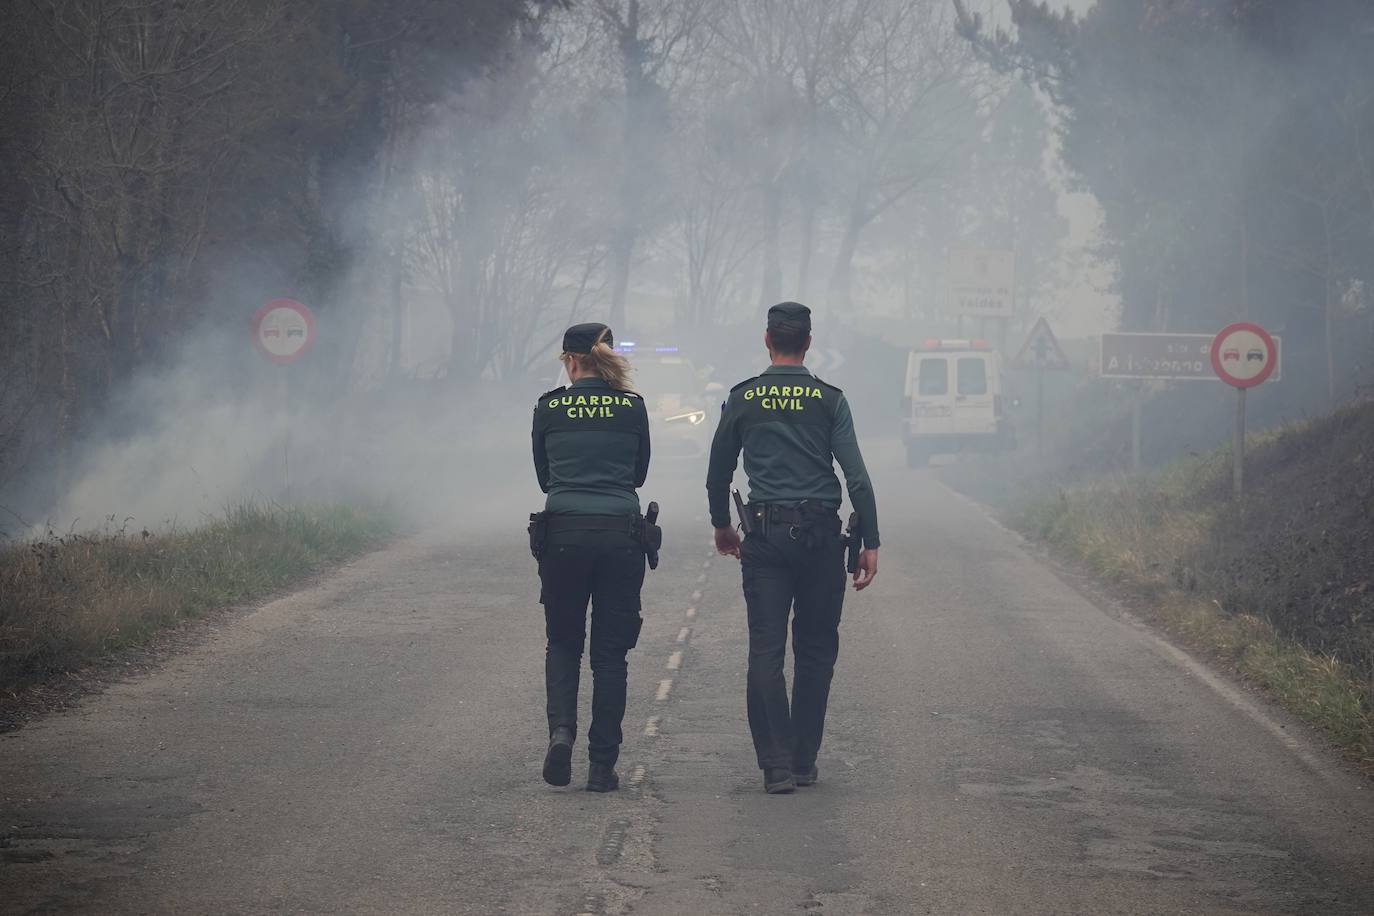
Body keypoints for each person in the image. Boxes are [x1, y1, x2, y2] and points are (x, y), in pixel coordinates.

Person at [705, 302, 880, 794]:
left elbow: (719, 471)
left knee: (766, 650)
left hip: (764, 537)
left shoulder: (743, 398)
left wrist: (722, 526)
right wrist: (871, 540)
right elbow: (857, 478)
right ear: (808, 342)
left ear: (767, 340)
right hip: (822, 537)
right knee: (817, 650)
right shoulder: (829, 400)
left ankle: (776, 765)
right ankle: (804, 760)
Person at [530, 322, 652, 792]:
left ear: (570, 360)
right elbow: (639, 474)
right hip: (621, 536)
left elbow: (544, 478)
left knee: (563, 642)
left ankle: (561, 733)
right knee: (610, 656)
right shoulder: (633, 407)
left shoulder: (549, 407)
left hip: (563, 535)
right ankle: (602, 766)